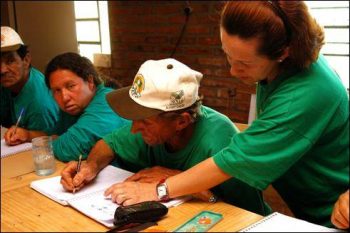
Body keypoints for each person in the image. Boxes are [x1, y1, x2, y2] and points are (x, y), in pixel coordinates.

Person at [96, 1, 349, 228]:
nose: (233, 71)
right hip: (308, 208)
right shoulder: (284, 63)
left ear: (283, 52)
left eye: (244, 63)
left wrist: (160, 189)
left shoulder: (306, 92)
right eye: (228, 56)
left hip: (335, 212)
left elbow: (236, 161)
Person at [60, 58, 271, 216]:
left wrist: (184, 185)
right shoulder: (151, 128)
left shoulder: (220, 141)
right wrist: (90, 166)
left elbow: (249, 215)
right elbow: (108, 144)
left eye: (144, 121)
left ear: (181, 121)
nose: (134, 129)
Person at [4, 52, 130, 161]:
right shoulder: (75, 107)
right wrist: (27, 135)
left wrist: (54, 140)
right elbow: (55, 132)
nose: (64, 97)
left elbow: (70, 148)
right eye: (57, 90)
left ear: (90, 82)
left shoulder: (107, 102)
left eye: (71, 86)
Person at [1, 26, 59, 131]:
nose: (2, 70)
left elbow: (44, 144)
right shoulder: (9, 83)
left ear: (26, 60)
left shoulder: (40, 105)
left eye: (10, 61)